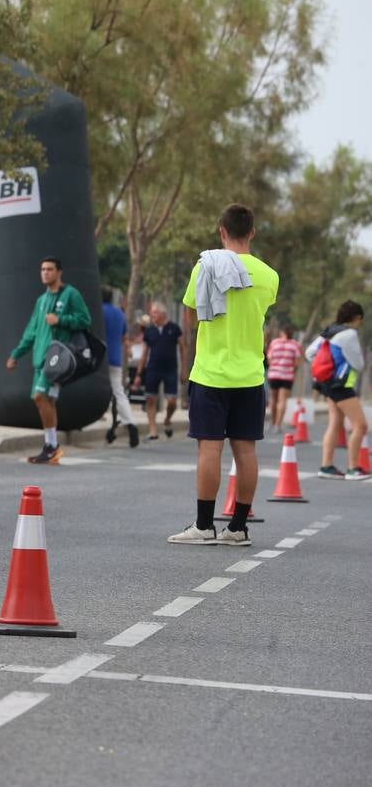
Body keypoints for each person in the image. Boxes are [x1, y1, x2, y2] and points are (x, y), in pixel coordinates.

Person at [168, 203, 279, 546]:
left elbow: (191, 315)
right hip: (250, 374)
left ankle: (204, 526)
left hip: (211, 372)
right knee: (246, 451)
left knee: (209, 450)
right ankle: (239, 528)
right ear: (252, 233)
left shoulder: (206, 267)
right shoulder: (269, 276)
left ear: (221, 231)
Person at [5, 257, 92, 464]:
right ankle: (51, 446)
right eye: (43, 269)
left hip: (58, 359)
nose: (45, 273)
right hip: (40, 358)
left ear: (59, 272)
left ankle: (52, 446)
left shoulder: (71, 294)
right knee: (48, 401)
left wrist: (61, 320)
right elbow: (31, 331)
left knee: (39, 396)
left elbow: (85, 320)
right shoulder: (41, 300)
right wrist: (16, 354)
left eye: (50, 269)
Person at [308, 301, 368, 480]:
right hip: (342, 385)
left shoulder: (329, 331)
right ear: (356, 317)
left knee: (335, 424)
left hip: (327, 384)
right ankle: (353, 468)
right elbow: (359, 364)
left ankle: (326, 467)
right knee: (360, 425)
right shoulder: (349, 334)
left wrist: (326, 367)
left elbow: (309, 352)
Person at [134, 302, 186, 440]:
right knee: (150, 399)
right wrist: (139, 374)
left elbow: (183, 349)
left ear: (163, 314)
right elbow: (144, 353)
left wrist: (184, 370)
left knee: (172, 401)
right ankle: (153, 431)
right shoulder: (149, 331)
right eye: (151, 314)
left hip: (170, 369)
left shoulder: (174, 329)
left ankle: (167, 419)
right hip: (153, 368)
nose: (152, 316)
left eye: (155, 313)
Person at [102, 286, 140, 447]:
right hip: (115, 358)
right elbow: (124, 337)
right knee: (118, 393)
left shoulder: (98, 311)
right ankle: (129, 422)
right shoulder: (119, 314)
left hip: (99, 358)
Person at [265, 325, 303, 434]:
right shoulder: (295, 345)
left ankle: (272, 423)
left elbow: (269, 359)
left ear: (282, 333)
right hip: (287, 376)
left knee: (273, 399)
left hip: (274, 375)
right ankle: (278, 425)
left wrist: (275, 367)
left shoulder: (274, 343)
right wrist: (292, 371)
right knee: (282, 400)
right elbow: (297, 362)